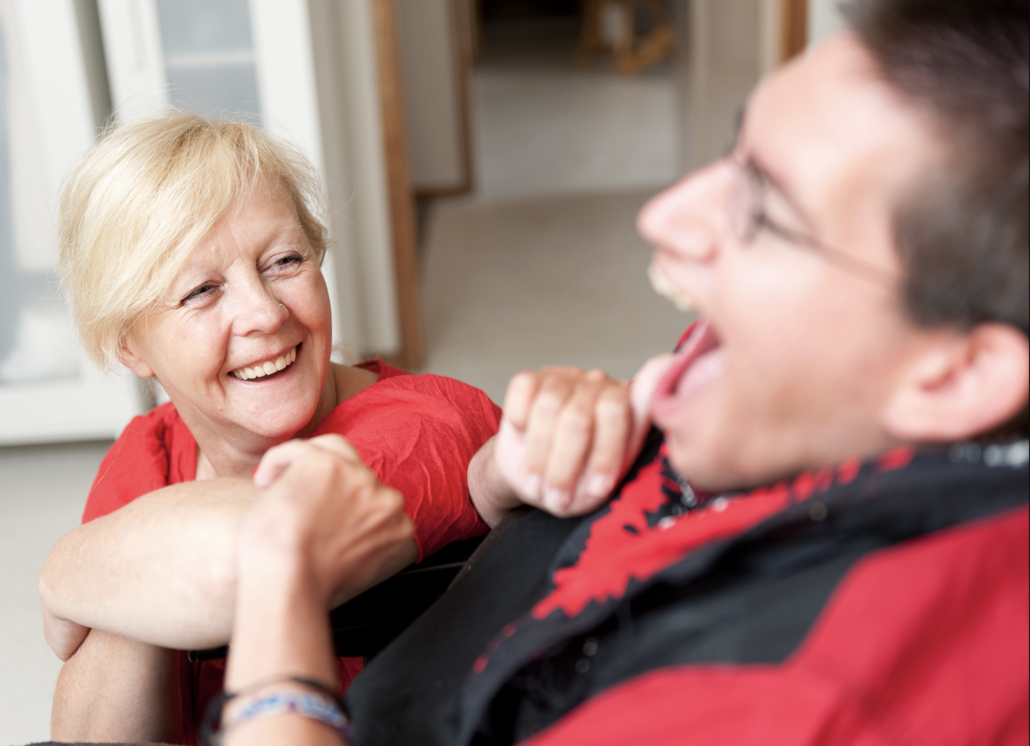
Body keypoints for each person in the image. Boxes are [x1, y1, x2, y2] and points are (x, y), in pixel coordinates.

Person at [174, 0, 1028, 743]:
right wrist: (518, 474)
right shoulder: (793, 390)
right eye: (734, 157)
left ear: (955, 378)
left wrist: (283, 584)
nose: (664, 216)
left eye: (766, 211)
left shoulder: (797, 701)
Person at [37, 114, 532, 744]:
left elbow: (263, 546)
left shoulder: (429, 422)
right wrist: (115, 581)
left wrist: (65, 568)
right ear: (129, 346)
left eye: (284, 261)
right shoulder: (147, 456)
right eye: (202, 290)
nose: (265, 313)